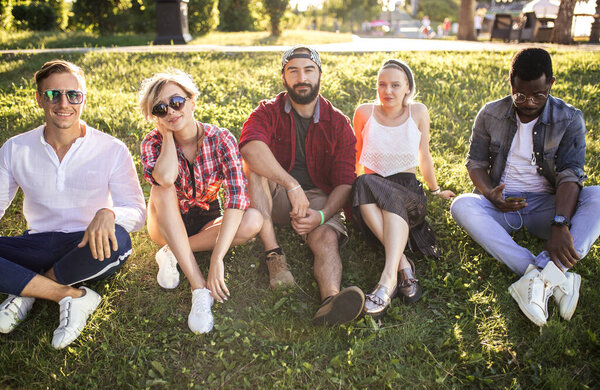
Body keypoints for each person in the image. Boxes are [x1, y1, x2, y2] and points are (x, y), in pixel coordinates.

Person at [0, 60, 146, 349]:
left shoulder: (111, 149)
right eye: (54, 94)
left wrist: (109, 212)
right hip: (37, 243)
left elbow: (138, 213)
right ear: (39, 99)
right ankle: (71, 296)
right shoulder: (16, 148)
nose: (64, 103)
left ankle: (26, 289)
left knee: (118, 237)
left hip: (89, 245)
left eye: (73, 95)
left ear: (84, 99)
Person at [450, 48, 600, 326]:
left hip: (547, 205)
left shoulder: (568, 118)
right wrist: (489, 193)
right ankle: (550, 275)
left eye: (538, 95)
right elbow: (475, 163)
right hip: (503, 204)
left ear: (551, 84)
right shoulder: (491, 114)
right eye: (520, 95)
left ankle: (539, 279)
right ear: (511, 83)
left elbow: (571, 175)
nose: (529, 102)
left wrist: (560, 223)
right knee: (461, 204)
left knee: (598, 196)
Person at [239, 45, 365, 325]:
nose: (301, 77)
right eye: (293, 71)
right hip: (275, 195)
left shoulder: (339, 123)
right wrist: (291, 184)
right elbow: (249, 148)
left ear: (319, 75)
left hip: (318, 199)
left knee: (326, 238)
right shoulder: (268, 111)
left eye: (308, 70)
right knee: (255, 169)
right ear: (284, 78)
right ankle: (274, 255)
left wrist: (321, 215)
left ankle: (330, 301)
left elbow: (345, 182)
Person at [139, 70, 262, 335]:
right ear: (154, 117)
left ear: (192, 101)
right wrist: (168, 136)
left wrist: (218, 257)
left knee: (253, 220)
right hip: (166, 222)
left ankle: (172, 252)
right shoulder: (152, 141)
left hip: (207, 217)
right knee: (162, 188)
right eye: (160, 109)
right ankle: (198, 288)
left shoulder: (221, 139)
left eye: (177, 102)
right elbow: (164, 177)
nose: (171, 111)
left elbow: (237, 198)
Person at [352, 60, 455, 318]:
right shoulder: (364, 113)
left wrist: (435, 189)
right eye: (382, 85)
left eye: (395, 85)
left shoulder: (417, 112)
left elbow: (425, 155)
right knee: (362, 183)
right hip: (372, 195)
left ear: (408, 87)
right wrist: (347, 190)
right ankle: (404, 266)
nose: (388, 91)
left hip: (408, 194)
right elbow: (355, 155)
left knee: (369, 186)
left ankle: (388, 279)